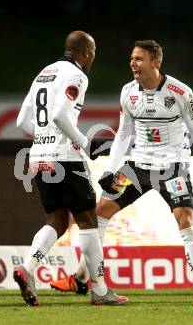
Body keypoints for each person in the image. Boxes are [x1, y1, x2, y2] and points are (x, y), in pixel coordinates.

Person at [50, 39, 193, 307]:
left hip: (172, 169)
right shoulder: (128, 92)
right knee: (100, 211)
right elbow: (124, 133)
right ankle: (81, 277)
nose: (132, 64)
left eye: (139, 59)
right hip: (136, 167)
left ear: (155, 62)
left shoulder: (180, 92)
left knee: (185, 220)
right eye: (131, 59)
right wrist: (110, 168)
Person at [15, 30, 128, 306]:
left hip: (39, 157)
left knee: (56, 221)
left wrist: (45, 139)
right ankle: (99, 289)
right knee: (89, 222)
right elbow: (59, 114)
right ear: (86, 53)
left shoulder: (43, 73)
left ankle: (27, 268)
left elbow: (21, 122)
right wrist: (82, 143)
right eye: (93, 55)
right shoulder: (77, 75)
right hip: (65, 158)